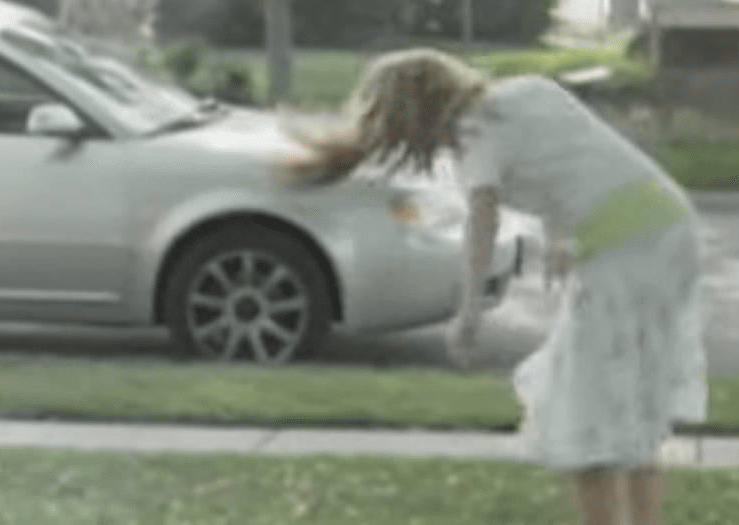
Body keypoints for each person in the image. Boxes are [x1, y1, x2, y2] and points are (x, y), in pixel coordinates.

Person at [278, 48, 707, 525]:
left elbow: (483, 222)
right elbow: (576, 155)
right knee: (631, 404)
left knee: (586, 415)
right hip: (669, 223)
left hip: (628, 248)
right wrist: (559, 233)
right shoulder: (527, 89)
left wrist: (468, 312)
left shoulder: (476, 137)